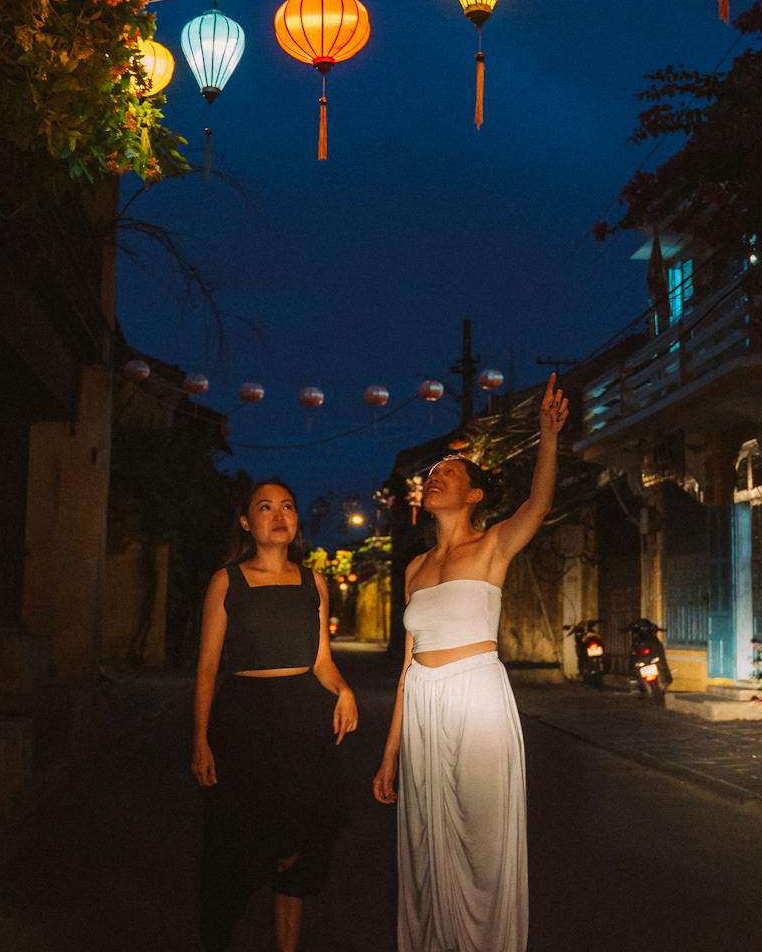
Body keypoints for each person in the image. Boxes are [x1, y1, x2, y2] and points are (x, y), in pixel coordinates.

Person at [374, 375, 569, 952]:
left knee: (483, 844)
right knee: (428, 846)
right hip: (424, 706)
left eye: (449, 473)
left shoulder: (493, 546)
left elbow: (539, 502)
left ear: (476, 495)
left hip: (478, 698)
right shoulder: (413, 569)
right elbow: (407, 667)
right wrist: (390, 753)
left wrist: (548, 436)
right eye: (432, 474)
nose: (436, 477)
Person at [192, 479, 358, 952]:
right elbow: (207, 669)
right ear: (247, 523)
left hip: (304, 720)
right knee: (235, 841)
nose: (279, 514)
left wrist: (343, 689)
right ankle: (219, 936)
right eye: (265, 508)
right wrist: (200, 740)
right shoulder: (228, 581)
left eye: (287, 505)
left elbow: (322, 660)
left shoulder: (314, 582)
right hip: (243, 720)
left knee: (301, 843)